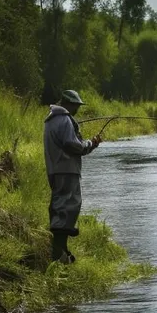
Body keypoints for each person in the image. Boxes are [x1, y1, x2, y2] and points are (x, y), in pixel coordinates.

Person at [43, 90, 101, 264]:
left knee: (60, 204)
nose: (77, 109)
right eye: (76, 105)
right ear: (68, 103)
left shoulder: (51, 119)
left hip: (55, 169)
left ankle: (62, 249)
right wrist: (91, 143)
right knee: (68, 206)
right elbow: (72, 145)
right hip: (67, 169)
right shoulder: (65, 119)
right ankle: (58, 251)